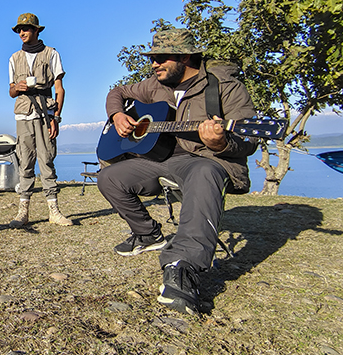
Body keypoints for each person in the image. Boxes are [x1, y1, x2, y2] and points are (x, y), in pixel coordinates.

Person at [96, 28, 258, 314]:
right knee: (110, 177)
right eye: (152, 58)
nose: (154, 64)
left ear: (185, 56)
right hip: (162, 158)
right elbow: (117, 92)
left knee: (205, 172)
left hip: (205, 160)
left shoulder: (224, 86)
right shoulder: (154, 85)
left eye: (160, 58)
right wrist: (118, 114)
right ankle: (148, 235)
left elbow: (249, 140)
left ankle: (184, 268)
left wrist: (221, 141)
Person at [7, 12, 72, 228]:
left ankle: (54, 211)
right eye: (19, 30)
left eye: (26, 29)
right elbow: (10, 91)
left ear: (36, 30)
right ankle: (22, 212)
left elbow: (59, 89)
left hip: (46, 113)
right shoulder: (13, 58)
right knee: (25, 162)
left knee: (46, 160)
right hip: (23, 114)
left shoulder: (51, 54)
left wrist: (56, 117)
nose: (22, 33)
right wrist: (17, 87)